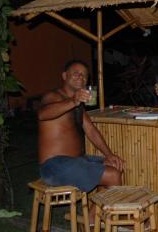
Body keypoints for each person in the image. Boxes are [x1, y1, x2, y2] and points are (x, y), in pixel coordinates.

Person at [38, 60, 124, 193]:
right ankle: (114, 213)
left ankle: (93, 214)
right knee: (112, 175)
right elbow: (42, 114)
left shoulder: (78, 104)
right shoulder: (53, 96)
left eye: (84, 75)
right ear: (64, 76)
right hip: (54, 166)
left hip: (76, 161)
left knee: (113, 165)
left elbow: (90, 130)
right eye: (76, 73)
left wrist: (109, 154)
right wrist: (73, 101)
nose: (81, 77)